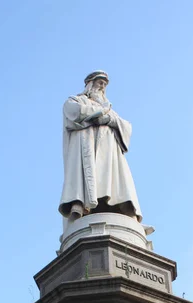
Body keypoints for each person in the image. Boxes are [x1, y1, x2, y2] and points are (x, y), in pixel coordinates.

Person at [59, 71, 142, 222]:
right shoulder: (76, 101)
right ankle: (80, 204)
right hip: (86, 149)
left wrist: (110, 120)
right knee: (88, 178)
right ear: (90, 84)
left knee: (115, 180)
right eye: (100, 83)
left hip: (109, 154)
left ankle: (125, 211)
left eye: (104, 85)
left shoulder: (109, 109)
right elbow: (76, 113)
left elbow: (127, 126)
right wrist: (100, 113)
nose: (102, 87)